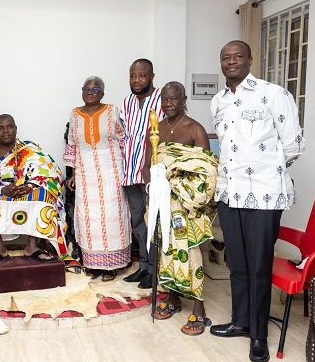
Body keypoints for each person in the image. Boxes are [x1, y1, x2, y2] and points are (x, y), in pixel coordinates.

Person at [209, 41, 305, 362]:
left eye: (238, 56)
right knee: (237, 265)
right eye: (226, 57)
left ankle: (259, 335)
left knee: (259, 267)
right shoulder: (218, 101)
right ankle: (240, 321)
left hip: (264, 196)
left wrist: (266, 172)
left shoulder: (274, 94)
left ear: (251, 59)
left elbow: (292, 145)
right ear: (221, 64)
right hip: (228, 193)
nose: (232, 61)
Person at [141, 81, 219, 335]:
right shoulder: (156, 129)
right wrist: (151, 192)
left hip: (188, 206)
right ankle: (173, 298)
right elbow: (146, 167)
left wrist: (176, 182)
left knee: (191, 253)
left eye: (173, 99)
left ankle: (199, 309)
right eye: (164, 100)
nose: (168, 104)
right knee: (166, 251)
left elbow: (206, 174)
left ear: (184, 99)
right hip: (163, 202)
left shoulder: (195, 129)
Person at [0, 114, 70, 266]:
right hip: (1, 191)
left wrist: (29, 187)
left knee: (43, 195)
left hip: (26, 189)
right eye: (0, 128)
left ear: (15, 129)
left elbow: (47, 170)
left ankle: (32, 246)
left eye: (9, 127)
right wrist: (3, 190)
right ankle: (0, 249)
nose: (5, 131)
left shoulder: (28, 148)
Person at [63, 76, 131, 281]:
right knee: (88, 217)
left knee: (112, 216)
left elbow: (123, 139)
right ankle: (92, 263)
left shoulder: (112, 111)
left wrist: (127, 171)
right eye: (85, 89)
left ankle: (111, 266)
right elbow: (72, 144)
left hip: (111, 171)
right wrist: (73, 173)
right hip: (86, 173)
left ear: (102, 93)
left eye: (94, 90)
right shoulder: (75, 114)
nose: (89, 93)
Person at [121, 58, 165, 288]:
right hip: (129, 172)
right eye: (132, 76)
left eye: (142, 76)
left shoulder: (162, 99)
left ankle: (156, 271)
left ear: (151, 77)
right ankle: (144, 268)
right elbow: (122, 137)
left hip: (152, 174)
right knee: (138, 223)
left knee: (154, 223)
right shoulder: (126, 102)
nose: (136, 80)